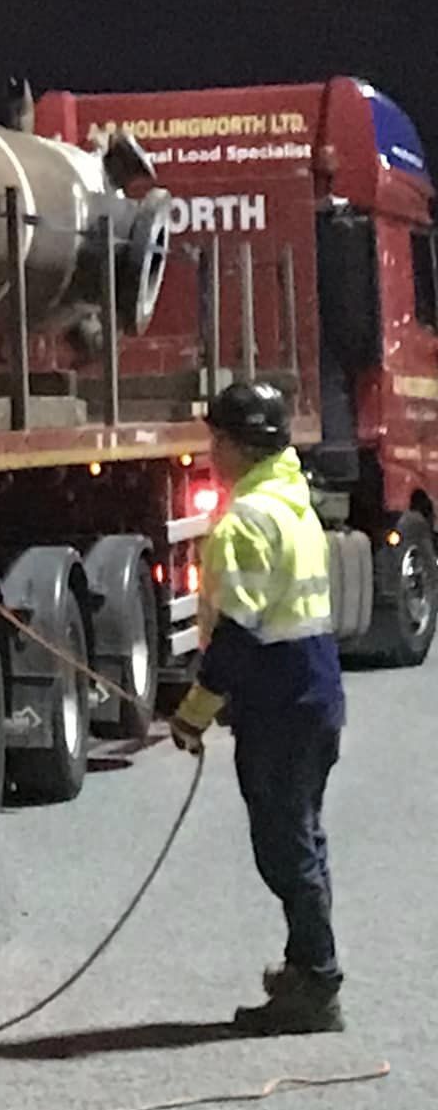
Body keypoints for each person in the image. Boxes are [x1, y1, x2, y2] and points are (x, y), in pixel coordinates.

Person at [170, 380, 344, 1035]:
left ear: (239, 446)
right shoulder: (291, 502)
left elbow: (238, 633)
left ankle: (317, 984)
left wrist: (194, 710)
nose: (210, 452)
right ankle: (307, 968)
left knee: (284, 845)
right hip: (315, 694)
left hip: (279, 700)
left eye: (216, 440)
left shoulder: (246, 521)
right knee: (304, 834)